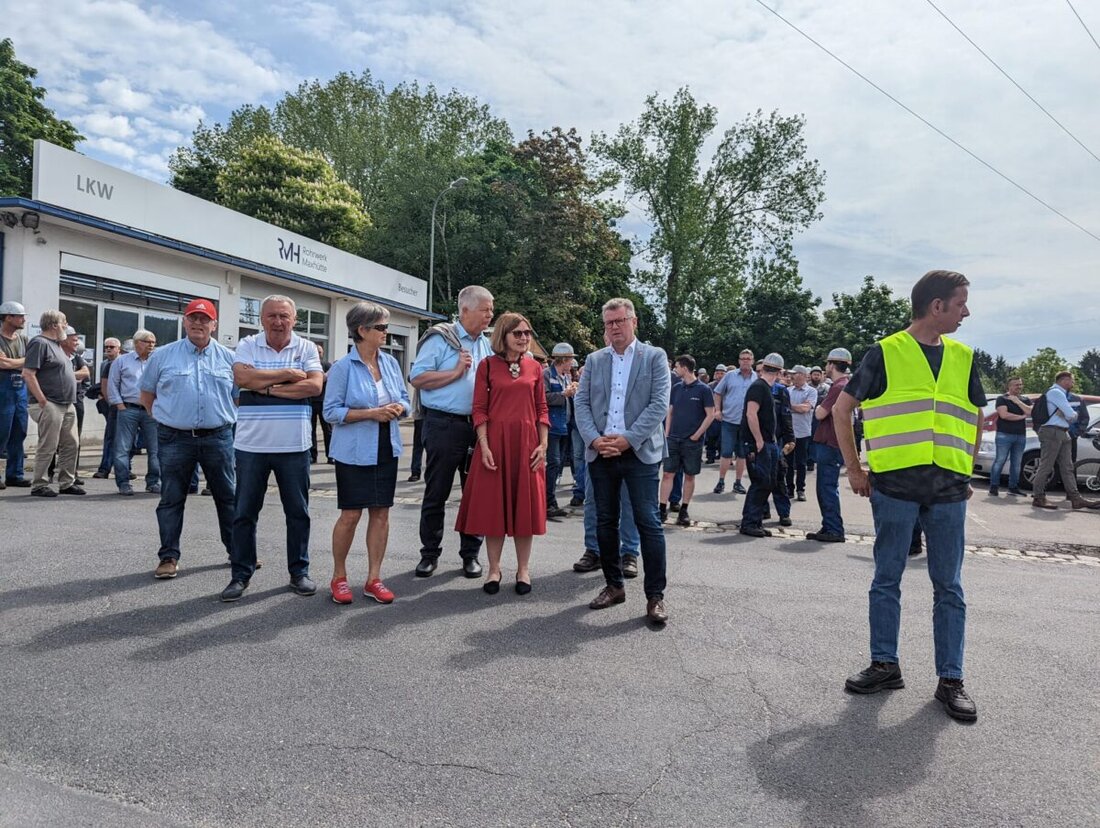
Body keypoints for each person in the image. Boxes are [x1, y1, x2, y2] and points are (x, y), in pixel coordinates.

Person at [837, 269, 986, 722]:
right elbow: (844, 410)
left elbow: (975, 415)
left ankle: (951, 680)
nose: (966, 311)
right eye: (960, 303)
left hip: (947, 490)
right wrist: (855, 469)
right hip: (895, 488)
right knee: (886, 580)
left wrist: (967, 468)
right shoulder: (886, 352)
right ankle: (885, 665)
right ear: (936, 306)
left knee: (950, 587)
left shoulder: (963, 356)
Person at [220, 295, 324, 602]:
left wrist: (262, 386)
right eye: (272, 316)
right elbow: (241, 377)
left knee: (298, 513)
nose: (278, 322)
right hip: (251, 445)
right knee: (244, 513)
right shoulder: (248, 344)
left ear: (294, 320)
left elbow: (315, 386)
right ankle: (240, 574)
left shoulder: (305, 347)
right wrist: (288, 375)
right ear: (261, 319)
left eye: (284, 316)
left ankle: (299, 572)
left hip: (294, 445)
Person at [575, 297, 671, 624]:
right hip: (601, 452)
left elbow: (658, 405)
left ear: (634, 322)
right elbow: (582, 405)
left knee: (648, 523)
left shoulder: (655, 357)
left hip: (639, 452)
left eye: (620, 321)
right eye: (609, 323)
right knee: (604, 521)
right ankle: (613, 586)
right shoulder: (594, 359)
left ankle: (655, 596)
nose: (614, 327)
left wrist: (628, 439)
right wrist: (594, 439)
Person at [139, 299, 237, 580]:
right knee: (171, 498)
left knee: (228, 497)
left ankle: (238, 552)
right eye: (193, 318)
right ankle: (168, 556)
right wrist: (170, 419)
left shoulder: (230, 359)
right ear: (184, 322)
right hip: (174, 438)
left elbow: (238, 399)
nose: (198, 324)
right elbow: (147, 397)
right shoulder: (163, 356)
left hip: (218, 437)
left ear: (214, 325)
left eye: (204, 320)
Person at [454, 313, 549, 594]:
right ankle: (494, 569)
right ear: (503, 336)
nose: (523, 338)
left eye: (527, 333)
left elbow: (542, 408)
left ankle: (523, 569)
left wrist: (543, 445)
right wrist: (483, 445)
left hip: (527, 445)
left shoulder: (535, 368)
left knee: (525, 511)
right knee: (494, 509)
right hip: (494, 445)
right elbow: (479, 408)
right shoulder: (487, 365)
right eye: (517, 333)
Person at [323, 302, 411, 604]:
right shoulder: (342, 368)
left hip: (386, 444)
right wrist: (371, 413)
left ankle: (374, 578)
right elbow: (330, 412)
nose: (387, 332)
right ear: (362, 330)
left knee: (382, 513)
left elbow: (404, 399)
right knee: (350, 514)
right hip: (354, 450)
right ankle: (339, 576)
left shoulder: (388, 363)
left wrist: (399, 408)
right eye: (381, 327)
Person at [409, 284, 494, 579]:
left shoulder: (486, 343)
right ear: (466, 310)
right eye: (485, 309)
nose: (490, 315)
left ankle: (470, 554)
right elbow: (418, 378)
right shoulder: (441, 339)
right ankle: (429, 554)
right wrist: (456, 373)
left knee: (475, 494)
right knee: (437, 492)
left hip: (478, 427)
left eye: (491, 310)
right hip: (444, 425)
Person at [22, 309, 82, 496]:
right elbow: (28, 374)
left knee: (71, 443)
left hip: (66, 403)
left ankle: (66, 482)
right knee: (48, 444)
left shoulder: (57, 345)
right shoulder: (39, 343)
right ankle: (39, 484)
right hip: (50, 403)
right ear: (54, 325)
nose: (66, 325)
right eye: (64, 322)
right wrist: (42, 400)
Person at [660, 355, 716, 527]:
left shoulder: (704, 389)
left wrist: (697, 435)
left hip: (692, 441)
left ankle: (684, 509)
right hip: (674, 438)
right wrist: (667, 433)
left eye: (677, 366)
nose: (675, 369)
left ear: (684, 368)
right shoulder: (676, 388)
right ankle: (661, 508)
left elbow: (711, 414)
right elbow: (670, 412)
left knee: (689, 475)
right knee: (668, 473)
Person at [1032, 371, 1100, 510]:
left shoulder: (1058, 393)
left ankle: (1075, 498)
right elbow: (1072, 415)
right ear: (1064, 380)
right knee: (1046, 465)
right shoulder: (1056, 392)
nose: (1073, 383)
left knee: (1067, 467)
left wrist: (1068, 414)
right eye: (1072, 380)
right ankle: (1038, 497)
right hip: (1052, 431)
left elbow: (1070, 415)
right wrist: (1069, 413)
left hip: (1062, 432)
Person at [107, 329, 161, 495]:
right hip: (129, 408)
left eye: (153, 342)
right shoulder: (122, 361)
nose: (151, 345)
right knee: (123, 447)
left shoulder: (157, 361)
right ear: (137, 343)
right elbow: (112, 385)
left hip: (151, 410)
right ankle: (123, 483)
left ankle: (153, 482)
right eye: (147, 342)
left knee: (156, 448)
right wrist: (120, 405)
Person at [806, 349, 852, 543]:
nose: (825, 367)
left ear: (832, 365)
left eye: (827, 364)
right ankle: (829, 525)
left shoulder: (838, 387)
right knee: (827, 487)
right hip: (834, 443)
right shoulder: (844, 384)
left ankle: (833, 528)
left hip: (830, 443)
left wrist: (818, 407)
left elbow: (820, 414)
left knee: (826, 487)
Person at [739, 353, 786, 537]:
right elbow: (751, 414)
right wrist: (758, 440)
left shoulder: (764, 387)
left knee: (767, 482)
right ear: (779, 371)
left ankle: (756, 521)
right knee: (761, 482)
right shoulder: (758, 387)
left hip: (768, 442)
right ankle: (749, 522)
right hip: (760, 443)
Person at [48, 327, 90, 485]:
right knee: (52, 438)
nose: (77, 342)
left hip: (75, 401)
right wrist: (72, 376)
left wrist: (67, 376)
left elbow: (86, 373)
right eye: (74, 339)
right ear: (64, 339)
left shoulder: (76, 357)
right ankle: (48, 472)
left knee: (74, 440)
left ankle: (72, 473)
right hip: (56, 401)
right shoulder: (53, 355)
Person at [712, 350, 756, 495]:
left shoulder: (756, 378)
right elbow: (717, 393)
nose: (745, 361)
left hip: (746, 423)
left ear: (752, 361)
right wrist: (717, 410)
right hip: (729, 420)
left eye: (748, 359)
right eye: (742, 358)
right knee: (726, 452)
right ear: (738, 360)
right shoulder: (729, 376)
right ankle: (721, 481)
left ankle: (738, 483)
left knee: (742, 454)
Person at [544, 342, 578, 518]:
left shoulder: (565, 376)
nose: (572, 363)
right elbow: (542, 398)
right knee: (553, 464)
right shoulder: (547, 374)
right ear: (563, 359)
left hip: (563, 426)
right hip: (551, 427)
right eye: (570, 359)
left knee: (556, 466)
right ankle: (547, 502)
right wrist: (564, 395)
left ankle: (550, 501)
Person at [0, 301, 30, 489]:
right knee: (1, 431)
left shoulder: (23, 339)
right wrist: (23, 361)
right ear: (8, 317)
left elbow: (33, 362)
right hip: (2, 390)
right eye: (20, 316)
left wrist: (13, 362)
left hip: (20, 391)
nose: (23, 319)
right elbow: (2, 364)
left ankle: (15, 474)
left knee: (20, 431)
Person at [988, 377, 1031, 496]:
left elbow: (1030, 411)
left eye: (1020, 384)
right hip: (1004, 434)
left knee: (1017, 463)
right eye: (1016, 385)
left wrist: (1018, 402)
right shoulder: (1002, 399)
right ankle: (994, 486)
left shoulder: (1025, 399)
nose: (1019, 387)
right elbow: (1004, 415)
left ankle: (1013, 487)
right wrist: (1021, 417)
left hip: (1020, 435)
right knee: (1000, 460)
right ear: (1009, 386)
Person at [92, 338, 122, 479]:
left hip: (124, 404)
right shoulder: (105, 364)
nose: (108, 349)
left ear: (118, 349)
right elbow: (104, 385)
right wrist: (107, 401)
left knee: (127, 439)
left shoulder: (123, 362)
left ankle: (124, 467)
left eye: (111, 347)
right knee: (111, 436)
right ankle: (105, 468)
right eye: (106, 347)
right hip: (111, 405)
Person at [786, 366, 816, 502]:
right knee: (787, 463)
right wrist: (796, 407)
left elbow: (805, 408)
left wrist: (789, 406)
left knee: (801, 462)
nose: (792, 377)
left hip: (803, 432)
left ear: (803, 375)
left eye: (795, 374)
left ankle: (800, 489)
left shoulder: (811, 391)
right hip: (788, 432)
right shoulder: (787, 390)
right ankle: (789, 489)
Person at [309, 342, 333, 464]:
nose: (318, 354)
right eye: (316, 352)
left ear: (322, 353)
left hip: (324, 402)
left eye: (320, 352)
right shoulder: (308, 365)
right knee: (311, 430)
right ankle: (313, 456)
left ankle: (331, 456)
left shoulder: (327, 365)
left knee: (328, 430)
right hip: (311, 401)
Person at [704, 363, 727, 464]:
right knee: (711, 438)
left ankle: (725, 457)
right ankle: (710, 456)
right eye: (718, 373)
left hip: (726, 416)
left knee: (724, 439)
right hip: (712, 416)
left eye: (722, 373)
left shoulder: (729, 386)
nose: (720, 375)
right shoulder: (709, 387)